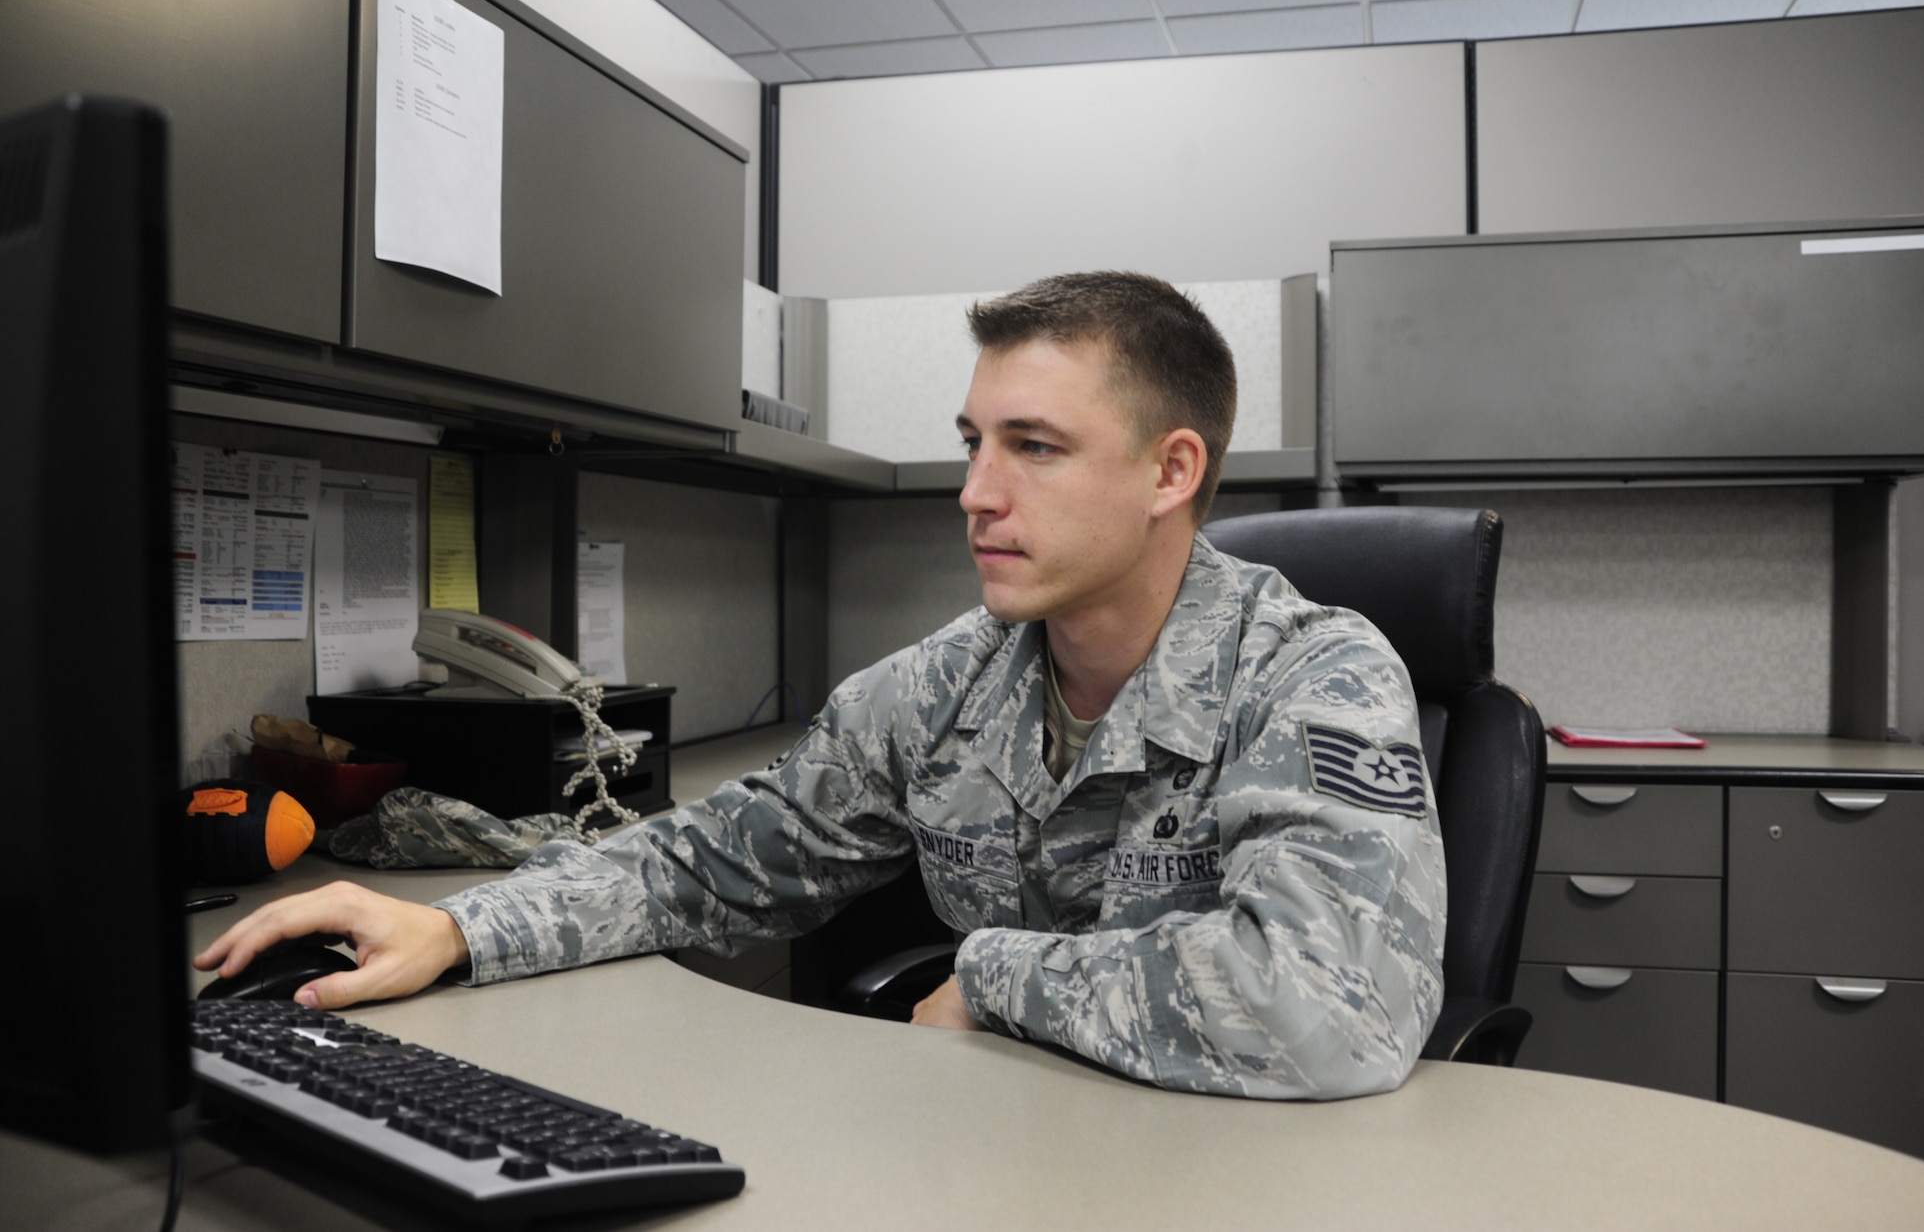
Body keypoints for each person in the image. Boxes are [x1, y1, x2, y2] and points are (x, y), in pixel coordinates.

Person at [199, 271, 1446, 1100]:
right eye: (973, 444)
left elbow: (1325, 1010)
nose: (974, 492)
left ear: (1171, 470)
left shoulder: (1310, 677)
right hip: (999, 1155)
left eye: (1034, 447)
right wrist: (461, 926)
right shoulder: (940, 689)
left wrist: (994, 979)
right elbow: (707, 863)